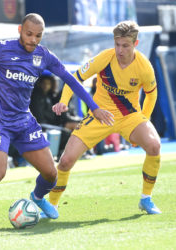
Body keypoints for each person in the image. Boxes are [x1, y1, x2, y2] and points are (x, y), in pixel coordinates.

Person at [0, 13, 113, 229]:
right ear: (20, 30)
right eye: (29, 34)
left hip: (23, 121)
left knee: (51, 174)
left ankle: (38, 198)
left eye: (38, 36)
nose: (33, 40)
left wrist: (94, 108)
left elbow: (71, 79)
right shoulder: (0, 49)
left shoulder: (44, 56)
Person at [47, 20, 161, 215]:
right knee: (65, 161)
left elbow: (152, 93)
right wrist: (64, 100)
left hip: (129, 117)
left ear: (136, 43)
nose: (120, 50)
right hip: (99, 116)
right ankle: (52, 206)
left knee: (154, 146)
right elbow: (73, 79)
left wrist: (144, 119)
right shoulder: (105, 58)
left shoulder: (144, 67)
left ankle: (146, 199)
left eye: (125, 45)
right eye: (117, 44)